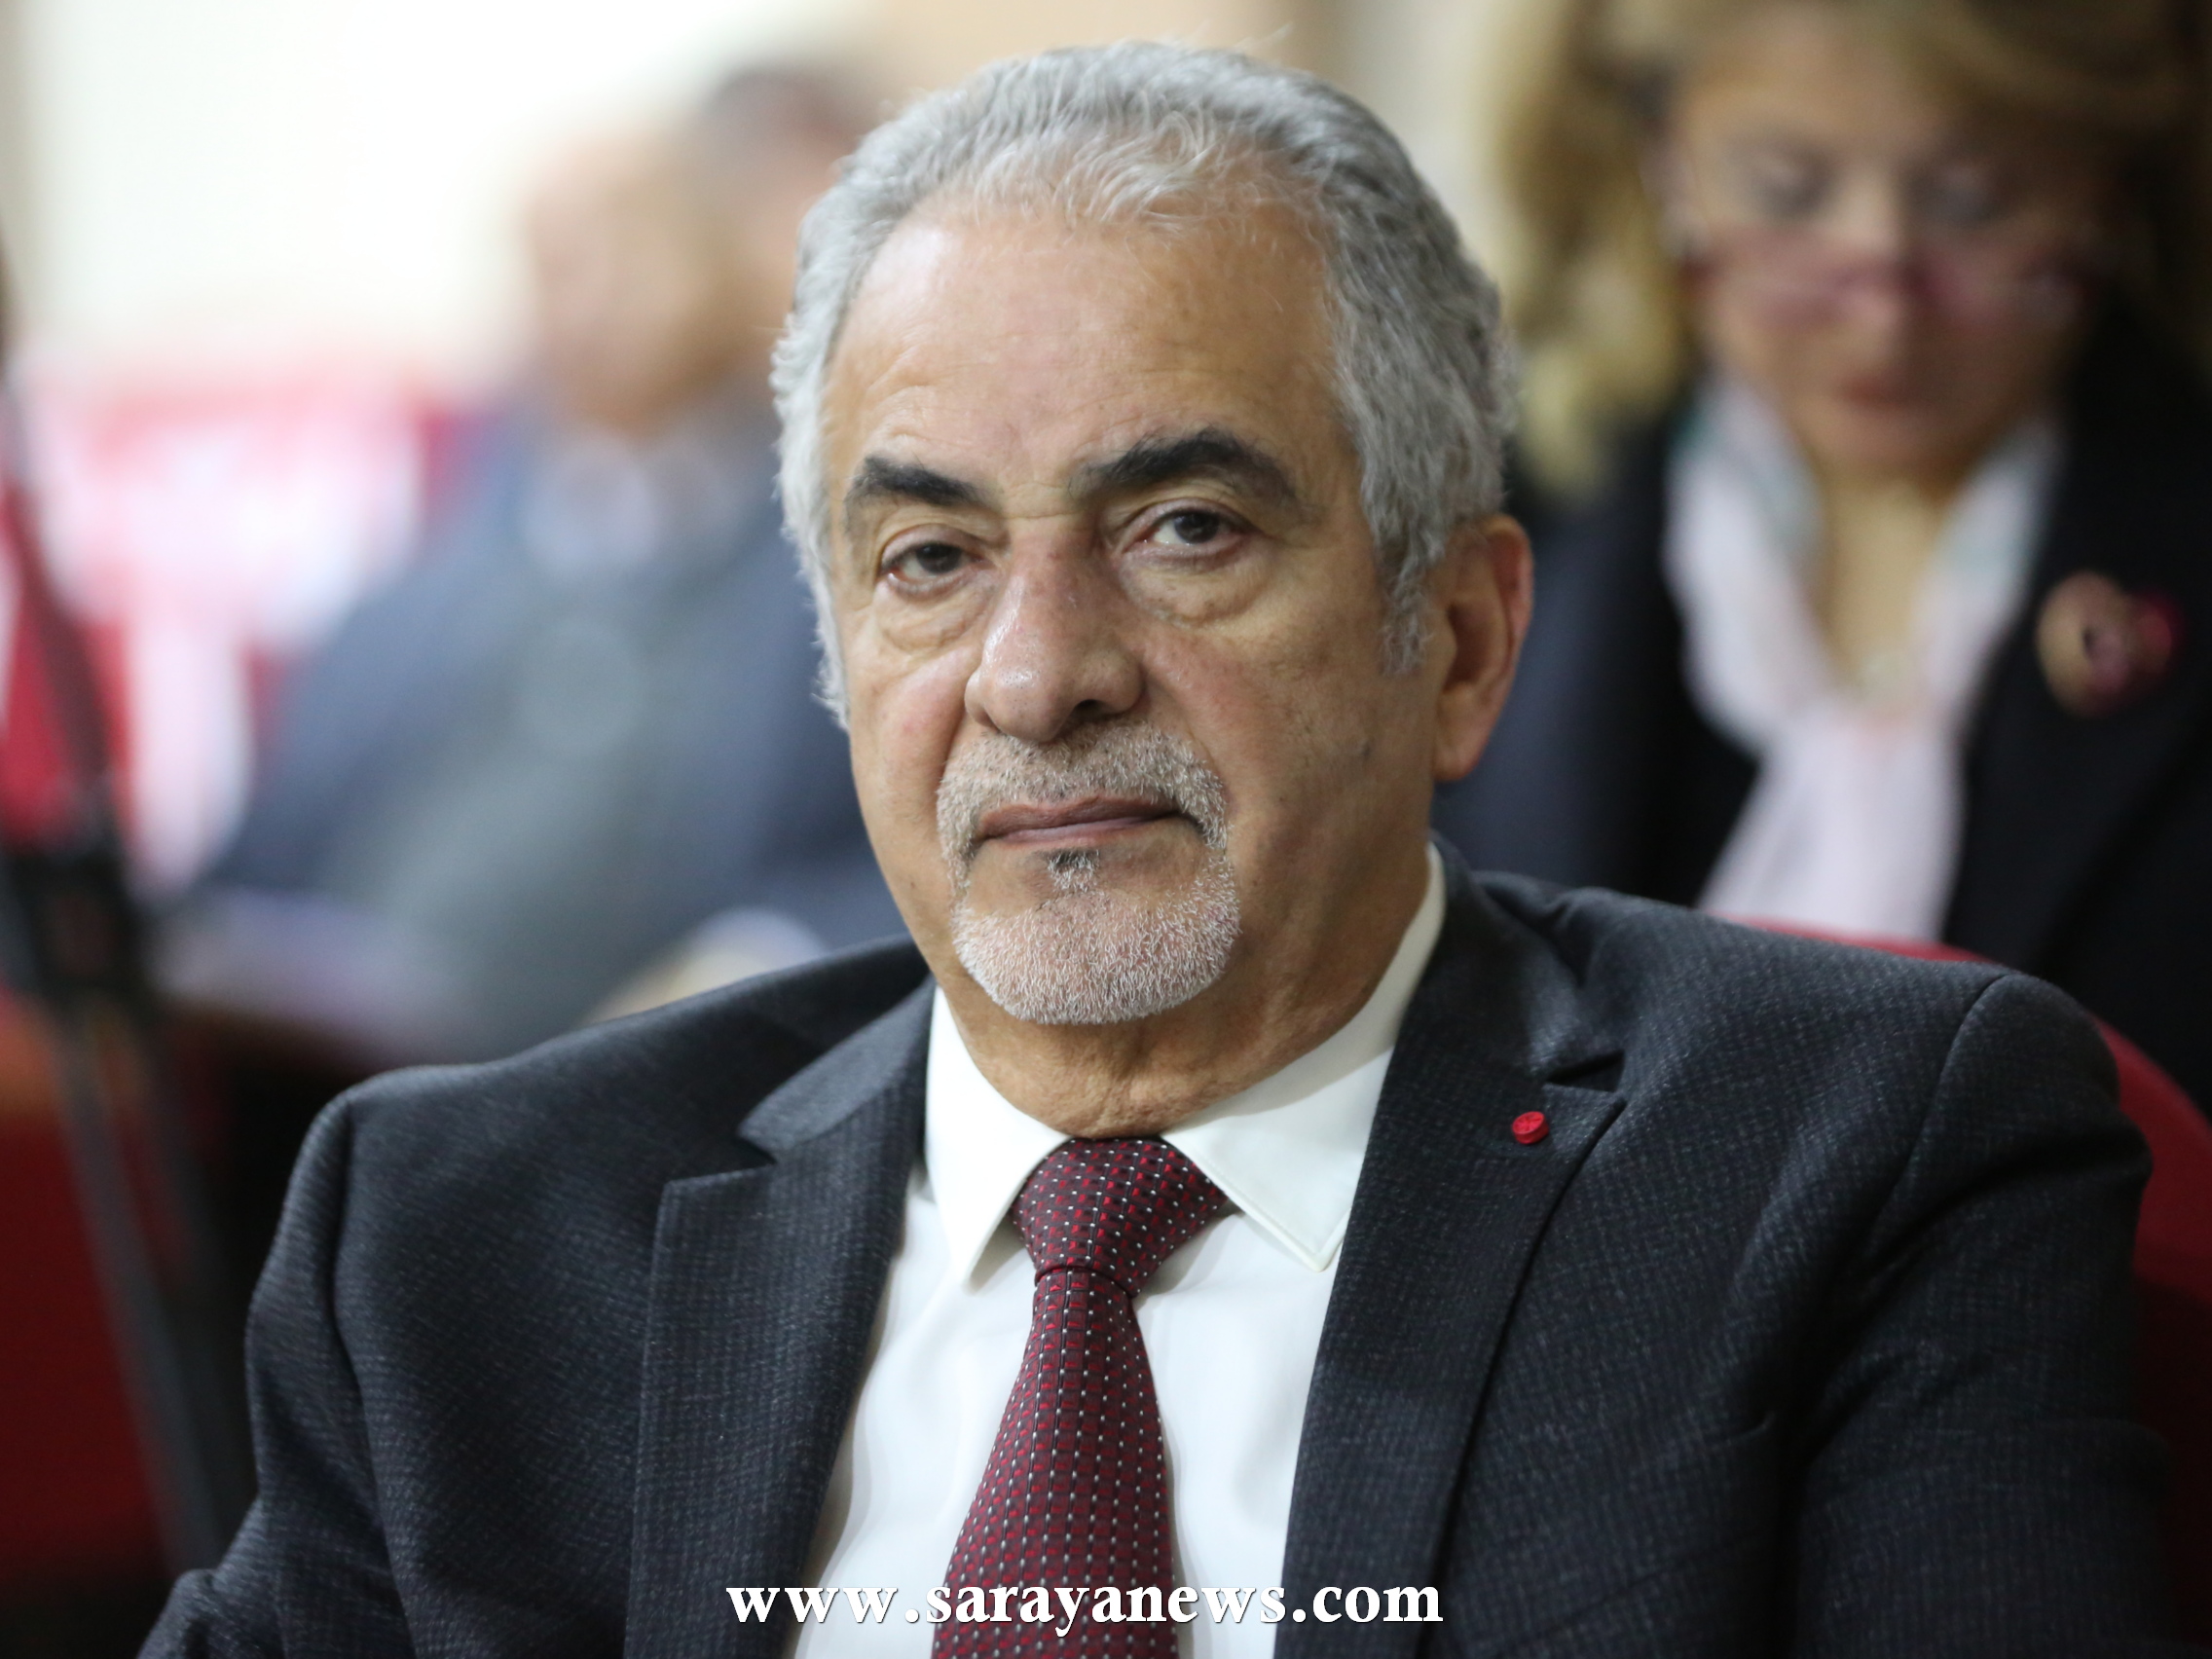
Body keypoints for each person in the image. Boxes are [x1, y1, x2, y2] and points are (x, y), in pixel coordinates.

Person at [144, 43, 2182, 1657]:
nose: (1037, 676)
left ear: (1458, 639)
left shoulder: (1855, 1163)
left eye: (1184, 530)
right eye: (929, 558)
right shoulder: (463, 1239)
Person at [1432, 0, 2212, 1110]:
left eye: (1976, 201)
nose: (1883, 315)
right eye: (1785, 191)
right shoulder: (1480, 514)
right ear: (1657, 153)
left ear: (2106, 177)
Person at [166, 66, 902, 1067]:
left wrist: (758, 953)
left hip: (654, 1082)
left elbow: (912, 861)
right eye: (555, 263)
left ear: (728, 261)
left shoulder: (838, 560)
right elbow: (244, 884)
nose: (596, 296)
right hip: (349, 1070)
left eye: (633, 243)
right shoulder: (417, 592)